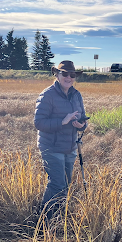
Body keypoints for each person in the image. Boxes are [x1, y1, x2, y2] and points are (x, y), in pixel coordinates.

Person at [34, 60, 87, 218]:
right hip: (51, 147)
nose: (69, 77)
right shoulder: (47, 95)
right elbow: (39, 122)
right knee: (57, 184)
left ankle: (58, 217)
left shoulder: (76, 95)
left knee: (65, 186)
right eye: (65, 74)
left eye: (72, 75)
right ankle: (44, 220)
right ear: (56, 74)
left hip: (70, 147)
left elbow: (83, 120)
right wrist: (62, 122)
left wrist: (81, 125)